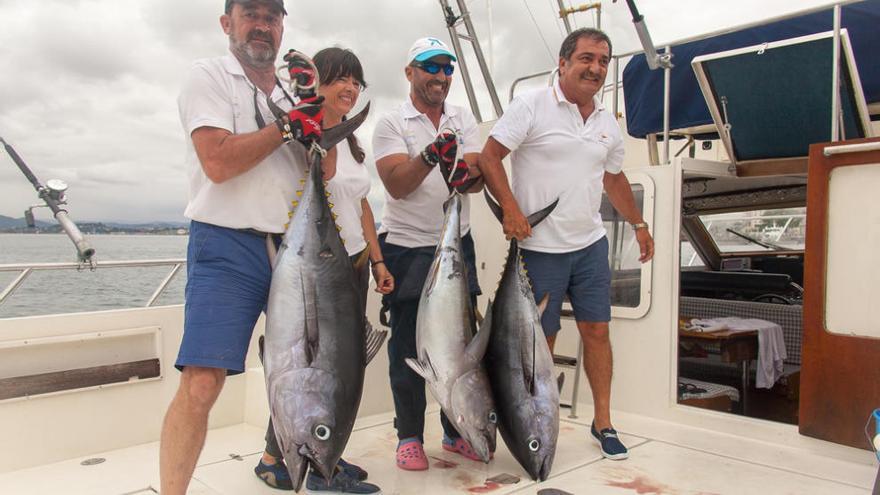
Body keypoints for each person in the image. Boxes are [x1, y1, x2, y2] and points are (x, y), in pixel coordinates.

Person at [159, 1, 375, 493]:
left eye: (272, 16)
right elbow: (216, 162)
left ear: (282, 27)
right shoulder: (208, 76)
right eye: (250, 13)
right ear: (227, 24)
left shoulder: (288, 91)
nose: (262, 25)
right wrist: (288, 124)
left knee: (309, 365)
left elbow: (322, 172)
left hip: (294, 250)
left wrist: (314, 118)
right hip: (227, 245)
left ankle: (293, 459)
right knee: (203, 381)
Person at [479, 27, 655, 461]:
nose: (596, 68)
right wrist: (512, 209)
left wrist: (638, 222)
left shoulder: (606, 124)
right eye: (587, 58)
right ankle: (536, 423)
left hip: (590, 246)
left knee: (598, 332)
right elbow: (489, 156)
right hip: (539, 249)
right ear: (563, 63)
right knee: (543, 342)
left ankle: (604, 423)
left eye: (603, 61)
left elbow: (612, 178)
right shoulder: (531, 105)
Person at [254, 46, 393, 494]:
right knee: (303, 357)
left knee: (335, 364)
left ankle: (324, 452)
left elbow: (362, 206)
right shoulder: (307, 130)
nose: (351, 88)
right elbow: (323, 169)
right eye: (342, 80)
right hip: (312, 262)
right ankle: (281, 457)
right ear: (320, 82)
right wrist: (317, 123)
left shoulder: (353, 142)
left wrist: (377, 260)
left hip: (348, 262)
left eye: (357, 82)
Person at [372, 37, 484, 471]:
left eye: (446, 68)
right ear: (410, 73)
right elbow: (398, 185)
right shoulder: (390, 122)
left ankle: (455, 431)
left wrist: (461, 170)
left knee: (458, 344)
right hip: (407, 247)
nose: (440, 76)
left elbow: (473, 179)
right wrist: (429, 155)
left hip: (457, 242)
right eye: (430, 67)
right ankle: (410, 437)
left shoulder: (462, 117)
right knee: (407, 343)